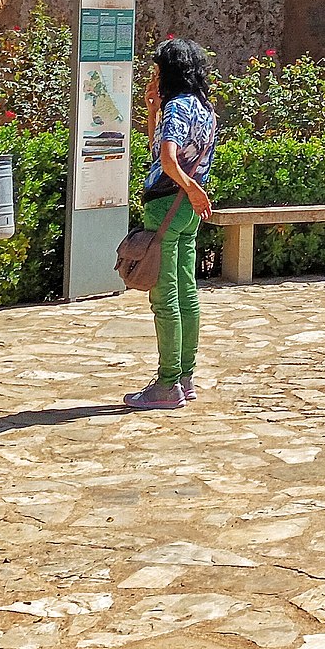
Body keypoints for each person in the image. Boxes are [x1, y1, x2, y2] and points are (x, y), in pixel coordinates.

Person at [127, 37, 217, 410]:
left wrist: (192, 189)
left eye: (159, 69)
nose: (155, 75)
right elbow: (159, 150)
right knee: (186, 292)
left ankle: (166, 385)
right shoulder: (205, 111)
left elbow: (166, 161)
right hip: (186, 211)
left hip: (166, 203)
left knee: (164, 297)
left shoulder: (177, 109)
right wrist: (151, 111)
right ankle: (185, 377)